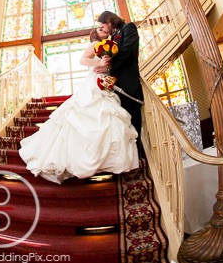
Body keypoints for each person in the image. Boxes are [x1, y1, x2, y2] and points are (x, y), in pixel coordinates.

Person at [18, 27, 139, 184]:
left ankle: (108, 160)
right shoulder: (95, 43)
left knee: (109, 115)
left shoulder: (108, 45)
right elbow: (82, 60)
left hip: (103, 80)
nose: (105, 30)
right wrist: (100, 62)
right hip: (93, 83)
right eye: (101, 29)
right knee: (90, 113)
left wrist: (106, 66)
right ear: (96, 35)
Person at [94, 11, 144, 147]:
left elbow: (128, 50)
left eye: (103, 26)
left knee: (133, 117)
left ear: (109, 22)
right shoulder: (113, 35)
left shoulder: (128, 27)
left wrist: (110, 65)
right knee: (122, 119)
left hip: (128, 80)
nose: (103, 29)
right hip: (116, 82)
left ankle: (138, 151)